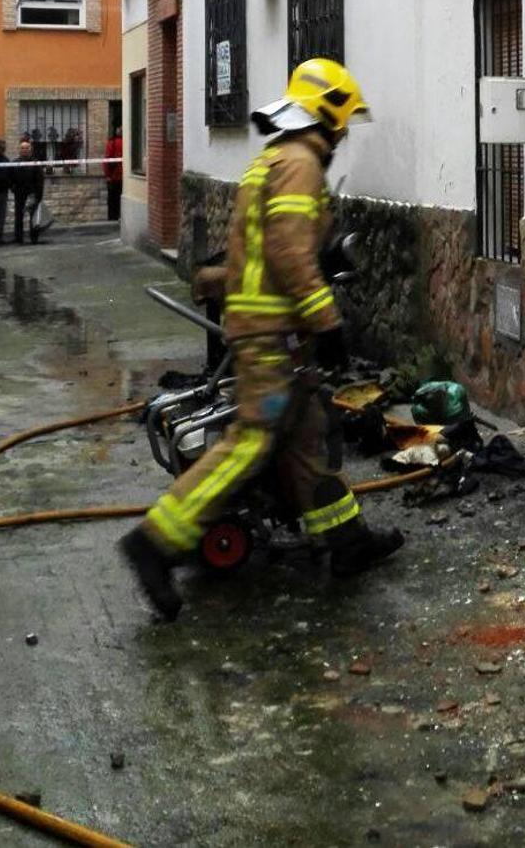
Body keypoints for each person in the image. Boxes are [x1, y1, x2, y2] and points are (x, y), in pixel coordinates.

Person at [116, 58, 404, 621]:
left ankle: (345, 542)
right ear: (328, 114)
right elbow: (289, 253)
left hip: (269, 330)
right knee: (251, 442)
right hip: (274, 335)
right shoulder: (301, 164)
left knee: (304, 438)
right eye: (342, 122)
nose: (343, 135)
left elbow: (262, 250)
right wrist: (328, 321)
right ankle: (153, 542)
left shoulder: (270, 160)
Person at [10, 140, 45, 245]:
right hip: (19, 193)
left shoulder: (35, 163)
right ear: (19, 150)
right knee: (18, 216)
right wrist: (13, 188)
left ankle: (34, 238)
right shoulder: (15, 163)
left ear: (31, 149)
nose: (24, 150)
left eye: (27, 148)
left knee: (34, 216)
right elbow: (10, 178)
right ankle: (18, 238)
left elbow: (40, 180)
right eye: (22, 148)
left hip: (32, 193)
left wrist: (38, 195)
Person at [104, 127, 124, 221]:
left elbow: (107, 160)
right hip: (122, 176)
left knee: (112, 199)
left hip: (113, 176)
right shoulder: (127, 142)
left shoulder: (112, 142)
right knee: (119, 198)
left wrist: (108, 175)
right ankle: (119, 216)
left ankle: (112, 218)